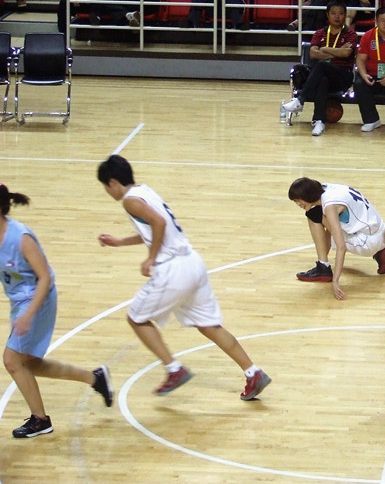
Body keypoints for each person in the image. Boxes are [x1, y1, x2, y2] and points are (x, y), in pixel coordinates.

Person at [96, 155, 271, 400]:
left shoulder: (130, 201)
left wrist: (150, 258)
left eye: (105, 186)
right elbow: (153, 227)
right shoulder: (145, 192)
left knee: (136, 318)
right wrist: (120, 242)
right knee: (210, 326)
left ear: (113, 182)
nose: (106, 191)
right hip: (192, 264)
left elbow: (158, 224)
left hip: (173, 269)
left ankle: (174, 369)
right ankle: (253, 372)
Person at [0, 183, 113, 438]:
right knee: (30, 363)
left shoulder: (21, 238)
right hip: (19, 301)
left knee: (11, 360)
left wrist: (28, 314)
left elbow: (45, 278)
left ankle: (40, 420)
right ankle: (95, 379)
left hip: (37, 300)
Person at [288, 178, 385, 300]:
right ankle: (379, 252)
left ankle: (323, 268)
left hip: (367, 241)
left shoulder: (330, 207)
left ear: (308, 195)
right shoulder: (327, 188)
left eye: (298, 200)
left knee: (314, 215)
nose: (298, 204)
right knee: (321, 215)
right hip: (378, 231)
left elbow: (341, 247)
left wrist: (336, 281)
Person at [282, 0, 358, 137]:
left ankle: (300, 99)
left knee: (322, 65)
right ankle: (319, 121)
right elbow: (313, 53)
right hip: (323, 76)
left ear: (345, 15)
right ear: (327, 15)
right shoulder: (319, 33)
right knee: (322, 79)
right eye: (333, 13)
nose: (337, 17)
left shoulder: (350, 34)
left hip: (343, 76)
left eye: (341, 14)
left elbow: (346, 53)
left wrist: (325, 49)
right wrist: (337, 51)